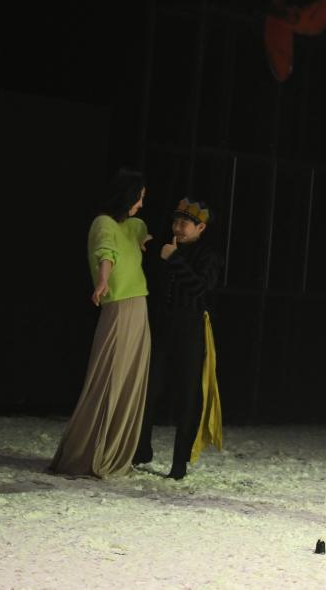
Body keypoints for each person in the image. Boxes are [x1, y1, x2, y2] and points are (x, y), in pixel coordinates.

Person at [50, 169, 152, 478]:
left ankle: (116, 451)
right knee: (109, 376)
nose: (141, 204)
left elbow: (140, 237)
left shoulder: (135, 226)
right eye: (139, 198)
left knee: (129, 378)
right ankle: (88, 453)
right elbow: (105, 252)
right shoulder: (103, 223)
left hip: (139, 305)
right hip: (119, 307)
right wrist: (103, 280)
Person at [134, 197, 222, 479]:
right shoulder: (166, 246)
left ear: (200, 228)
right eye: (176, 221)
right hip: (162, 328)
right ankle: (141, 449)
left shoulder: (207, 256)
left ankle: (179, 462)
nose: (178, 227)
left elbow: (200, 288)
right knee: (150, 389)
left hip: (190, 331)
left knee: (187, 395)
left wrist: (173, 259)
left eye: (185, 223)